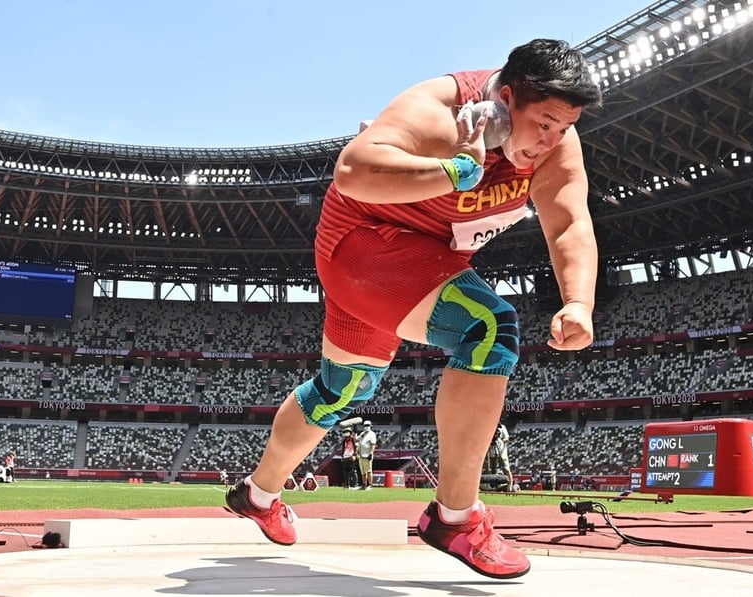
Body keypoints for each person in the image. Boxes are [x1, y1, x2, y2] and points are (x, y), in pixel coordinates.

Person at [226, 38, 601, 579]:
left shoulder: (556, 146)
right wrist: (456, 171)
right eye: (542, 123)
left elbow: (569, 223)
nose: (549, 141)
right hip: (362, 243)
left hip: (419, 264)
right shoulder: (438, 112)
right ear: (504, 101)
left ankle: (258, 495)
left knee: (341, 390)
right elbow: (352, 170)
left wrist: (579, 301)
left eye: (563, 127)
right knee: (490, 327)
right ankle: (456, 518)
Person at [357, 421, 377, 489]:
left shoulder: (372, 434)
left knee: (368, 471)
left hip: (367, 455)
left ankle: (370, 485)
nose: (366, 426)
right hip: (361, 455)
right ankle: (364, 484)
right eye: (365, 425)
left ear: (371, 426)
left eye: (368, 425)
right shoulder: (362, 433)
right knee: (363, 472)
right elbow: (356, 440)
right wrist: (355, 433)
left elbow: (373, 444)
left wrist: (371, 453)